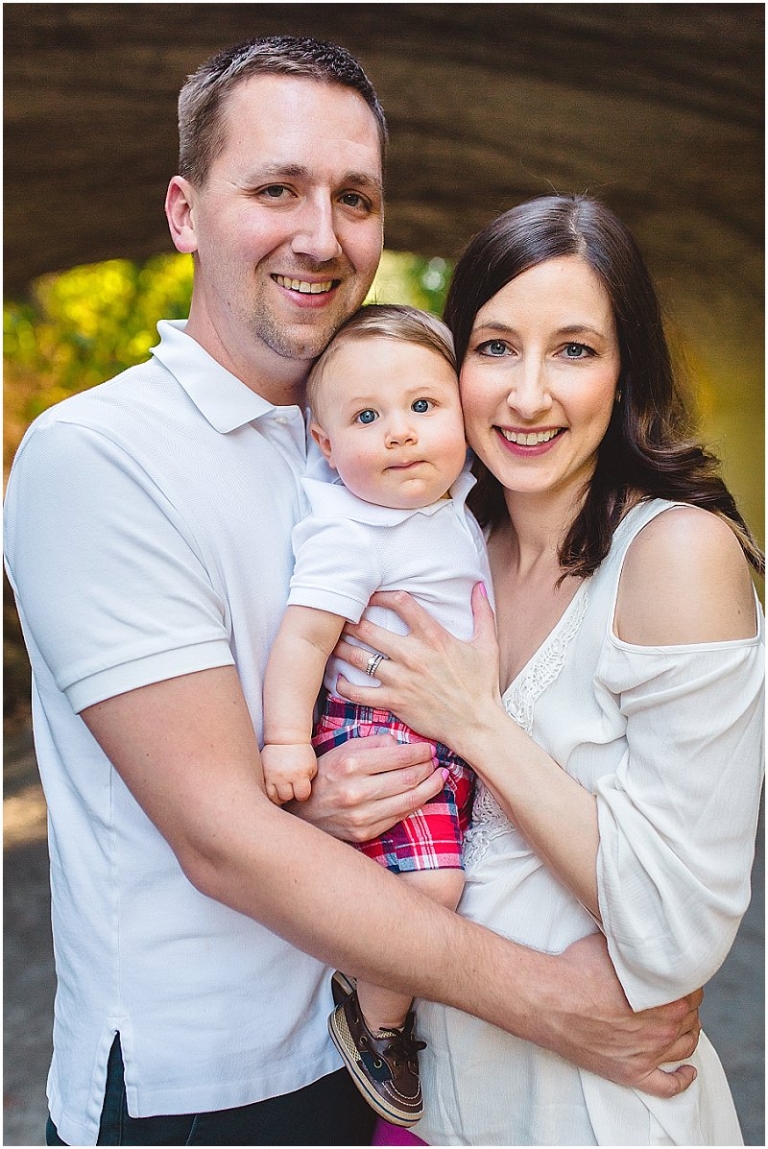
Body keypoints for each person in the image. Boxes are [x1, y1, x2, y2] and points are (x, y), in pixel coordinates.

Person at [3, 34, 702, 1148]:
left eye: (356, 198)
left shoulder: (379, 439)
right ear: (186, 212)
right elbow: (224, 838)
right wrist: (552, 1002)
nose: (322, 237)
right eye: (276, 188)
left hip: (396, 1063)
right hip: (216, 1089)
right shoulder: (101, 455)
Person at [331, 194, 765, 1145]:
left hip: (596, 1117)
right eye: (494, 347)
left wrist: (476, 724)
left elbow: (675, 931)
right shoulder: (437, 548)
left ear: (625, 372)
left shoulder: (676, 557)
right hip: (438, 1113)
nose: (529, 395)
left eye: (574, 349)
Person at [262, 304, 485, 1125]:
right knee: (436, 884)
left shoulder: (454, 503)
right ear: (325, 445)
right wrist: (287, 739)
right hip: (382, 731)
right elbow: (302, 640)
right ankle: (376, 1018)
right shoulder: (352, 532)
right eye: (366, 417)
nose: (400, 433)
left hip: (442, 729)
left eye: (424, 407)